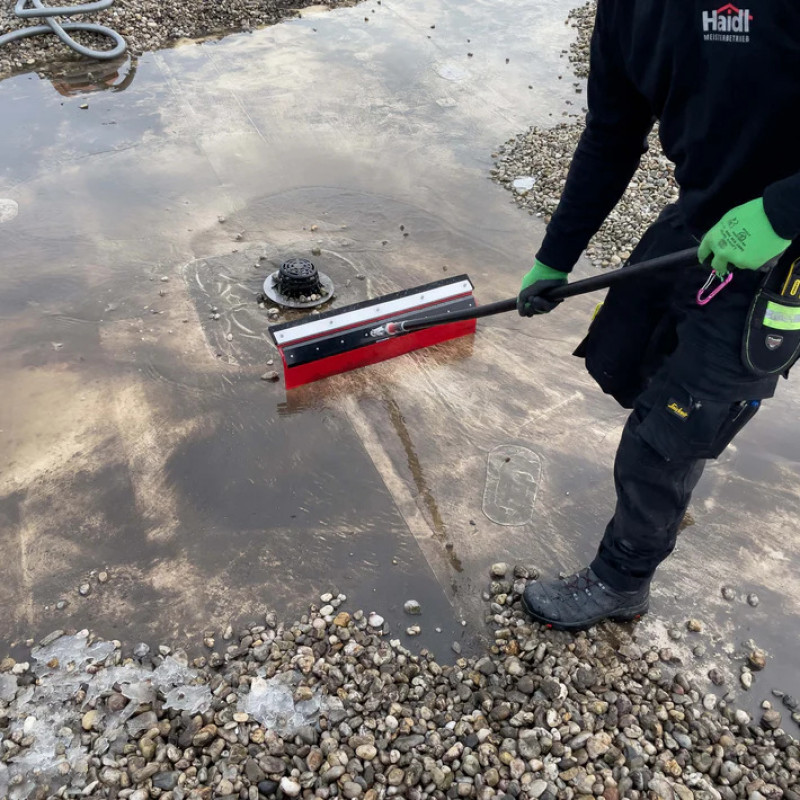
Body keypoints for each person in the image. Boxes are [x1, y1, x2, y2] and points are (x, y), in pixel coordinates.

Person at [517, 0, 800, 631]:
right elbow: (611, 135)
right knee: (626, 356)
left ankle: (623, 579)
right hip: (703, 218)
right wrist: (554, 257)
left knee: (672, 429)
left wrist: (783, 211)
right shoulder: (628, 9)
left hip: (781, 251)